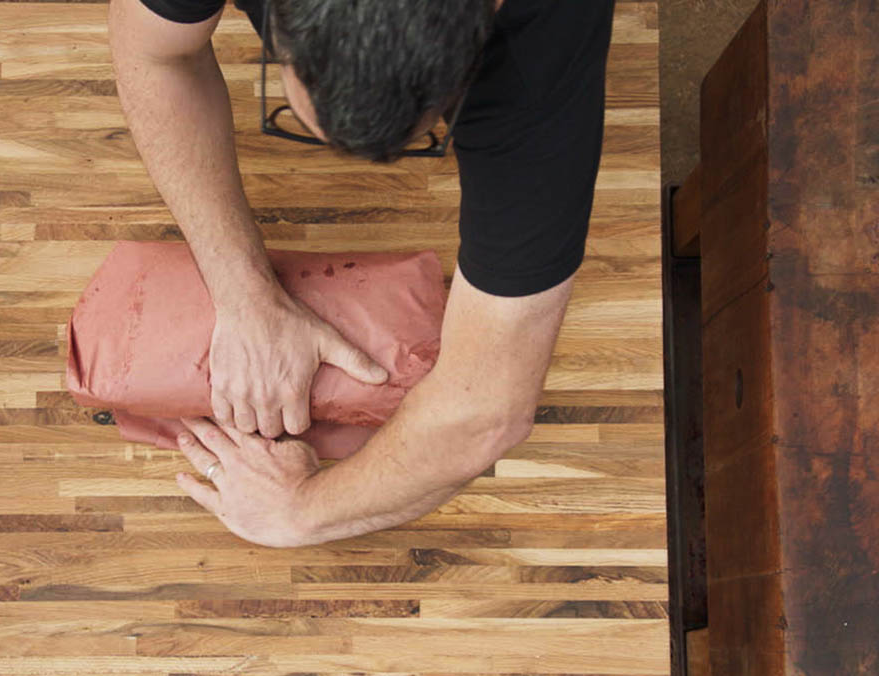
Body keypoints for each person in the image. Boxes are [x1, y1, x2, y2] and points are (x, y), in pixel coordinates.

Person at [107, 0, 616, 547]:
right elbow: (152, 57)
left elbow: (486, 411)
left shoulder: (536, 56)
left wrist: (301, 512)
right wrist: (244, 294)